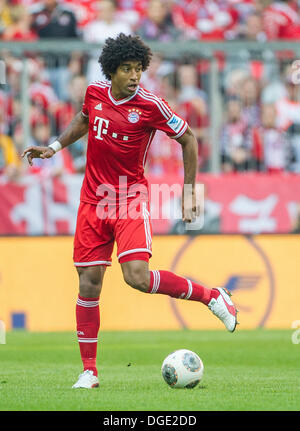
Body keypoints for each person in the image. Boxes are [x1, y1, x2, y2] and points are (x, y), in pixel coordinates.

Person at [22, 34, 238, 389]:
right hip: (93, 201)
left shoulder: (151, 105)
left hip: (128, 200)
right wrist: (55, 146)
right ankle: (89, 372)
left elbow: (189, 139)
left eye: (138, 68)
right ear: (112, 71)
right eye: (127, 69)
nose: (134, 76)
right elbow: (84, 118)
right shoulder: (95, 92)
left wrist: (188, 193)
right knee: (89, 284)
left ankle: (212, 296)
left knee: (136, 277)